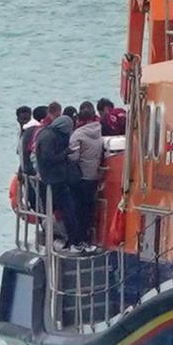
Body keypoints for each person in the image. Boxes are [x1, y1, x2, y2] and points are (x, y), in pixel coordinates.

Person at [32, 102, 76, 242]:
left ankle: (65, 235)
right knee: (67, 209)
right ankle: (71, 238)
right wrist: (65, 153)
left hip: (53, 177)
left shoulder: (45, 133)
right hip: (54, 178)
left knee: (63, 208)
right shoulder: (49, 136)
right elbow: (47, 158)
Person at [67, 103, 106, 246]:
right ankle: (88, 237)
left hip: (80, 176)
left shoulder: (78, 134)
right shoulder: (100, 130)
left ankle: (78, 240)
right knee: (89, 209)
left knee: (77, 209)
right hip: (94, 176)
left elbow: (74, 156)